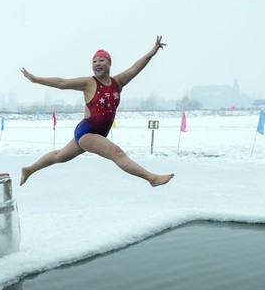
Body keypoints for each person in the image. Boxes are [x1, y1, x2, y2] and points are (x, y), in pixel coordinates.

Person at [19, 36, 174, 187]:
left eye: (101, 60)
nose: (97, 63)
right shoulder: (89, 83)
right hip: (86, 133)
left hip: (98, 134)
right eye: (94, 61)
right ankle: (151, 178)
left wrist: (152, 52)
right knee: (117, 153)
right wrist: (36, 79)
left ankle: (29, 169)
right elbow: (62, 82)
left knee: (59, 156)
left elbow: (136, 67)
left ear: (109, 63)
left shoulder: (118, 82)